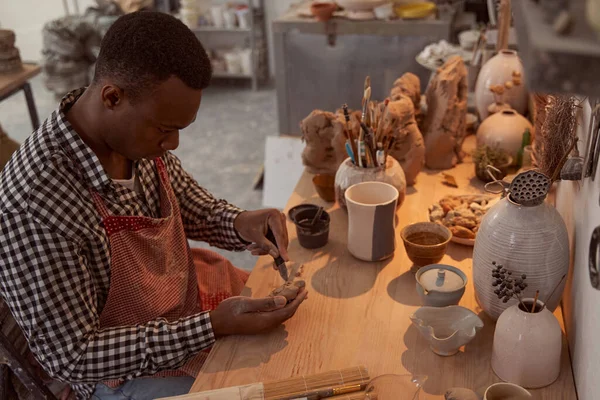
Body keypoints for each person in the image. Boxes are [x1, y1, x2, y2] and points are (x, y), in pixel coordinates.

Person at [0, 11, 307, 400]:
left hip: (176, 305)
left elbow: (186, 201)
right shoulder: (34, 204)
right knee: (254, 389)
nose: (173, 144)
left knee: (292, 347)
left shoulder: (133, 135)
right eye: (165, 129)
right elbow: (73, 356)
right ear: (112, 97)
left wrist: (239, 222)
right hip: (116, 370)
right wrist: (210, 327)